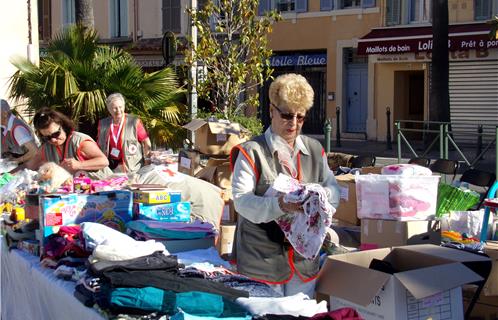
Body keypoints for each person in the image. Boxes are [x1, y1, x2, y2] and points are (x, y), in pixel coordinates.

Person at [230, 73, 340, 297]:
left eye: (300, 117)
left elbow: (334, 191)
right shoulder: (251, 151)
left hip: (302, 263)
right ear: (272, 111)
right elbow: (241, 202)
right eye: (287, 115)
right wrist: (280, 204)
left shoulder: (315, 150)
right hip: (260, 260)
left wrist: (319, 196)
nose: (293, 124)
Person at [24, 107, 113, 180]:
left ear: (62, 125)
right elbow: (29, 166)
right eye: (47, 137)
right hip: (79, 192)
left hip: (105, 188)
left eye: (56, 134)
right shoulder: (46, 148)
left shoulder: (79, 141)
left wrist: (79, 165)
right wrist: (10, 175)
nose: (53, 140)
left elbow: (104, 161)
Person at [97, 93, 152, 174]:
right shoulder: (103, 123)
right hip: (111, 168)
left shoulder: (134, 121)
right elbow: (99, 145)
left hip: (132, 167)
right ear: (109, 109)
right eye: (114, 108)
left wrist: (147, 161)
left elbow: (146, 142)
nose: (118, 110)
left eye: (120, 107)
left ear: (124, 106)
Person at [0, 99, 38, 165]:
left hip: (31, 164)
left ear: (5, 113)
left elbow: (34, 151)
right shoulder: (4, 126)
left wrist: (18, 160)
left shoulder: (18, 129)